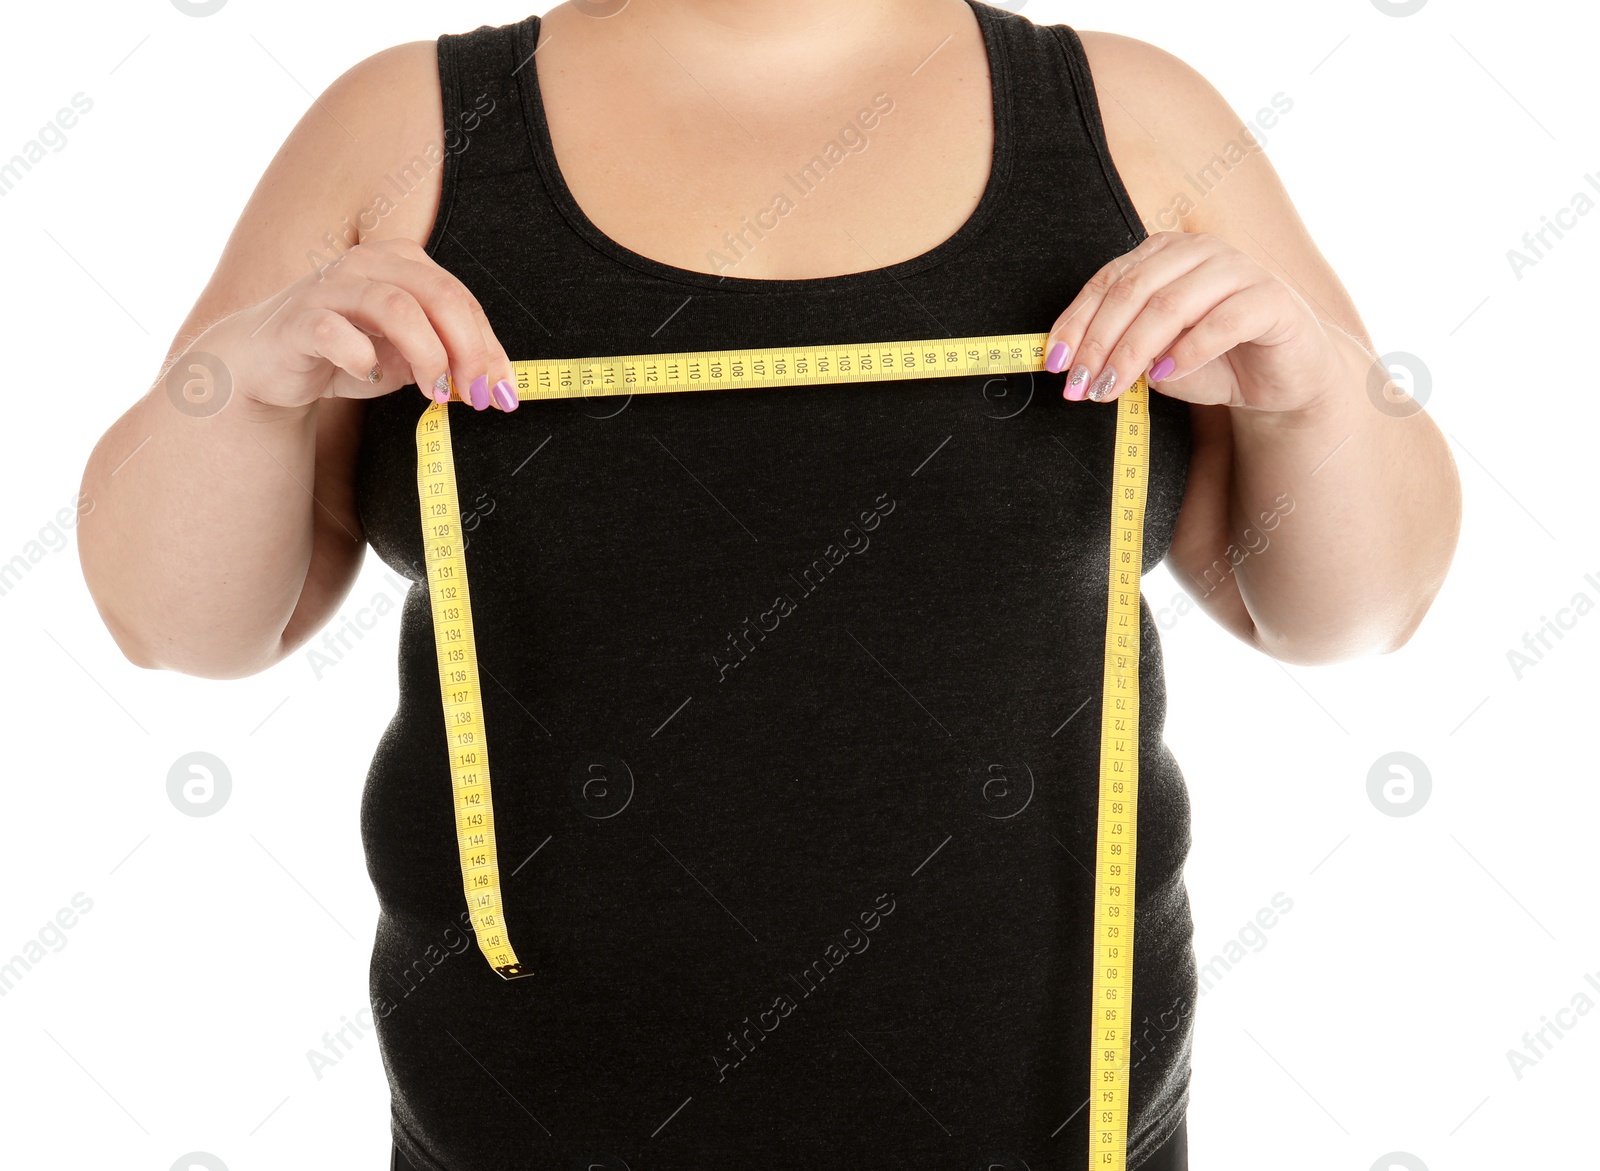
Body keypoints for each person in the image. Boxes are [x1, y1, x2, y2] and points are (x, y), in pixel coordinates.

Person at [76, 1, 1460, 1168]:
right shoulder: (402, 138)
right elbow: (182, 627)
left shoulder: (1132, 124)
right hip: (522, 1127)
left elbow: (1354, 612)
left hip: (1046, 1117)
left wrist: (1314, 395)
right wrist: (244, 383)